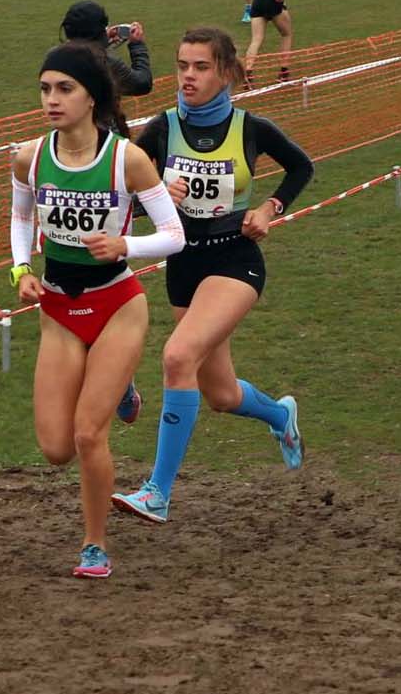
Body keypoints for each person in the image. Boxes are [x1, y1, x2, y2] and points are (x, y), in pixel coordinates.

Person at [112, 27, 314, 525]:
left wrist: (270, 207)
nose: (188, 76)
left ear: (226, 73)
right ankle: (280, 415)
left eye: (200, 67)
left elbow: (301, 167)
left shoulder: (252, 128)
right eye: (182, 65)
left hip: (234, 260)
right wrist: (157, 194)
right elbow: (122, 202)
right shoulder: (161, 130)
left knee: (177, 355)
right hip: (184, 264)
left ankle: (157, 492)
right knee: (220, 394)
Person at [9, 41, 185, 576]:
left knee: (89, 433)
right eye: (45, 89)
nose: (52, 100)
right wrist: (21, 271)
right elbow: (21, 220)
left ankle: (95, 544)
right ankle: (123, 388)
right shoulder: (30, 157)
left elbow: (173, 236)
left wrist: (125, 247)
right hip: (60, 309)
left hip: (117, 305)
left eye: (65, 89)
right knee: (56, 447)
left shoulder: (126, 160)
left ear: (91, 98)